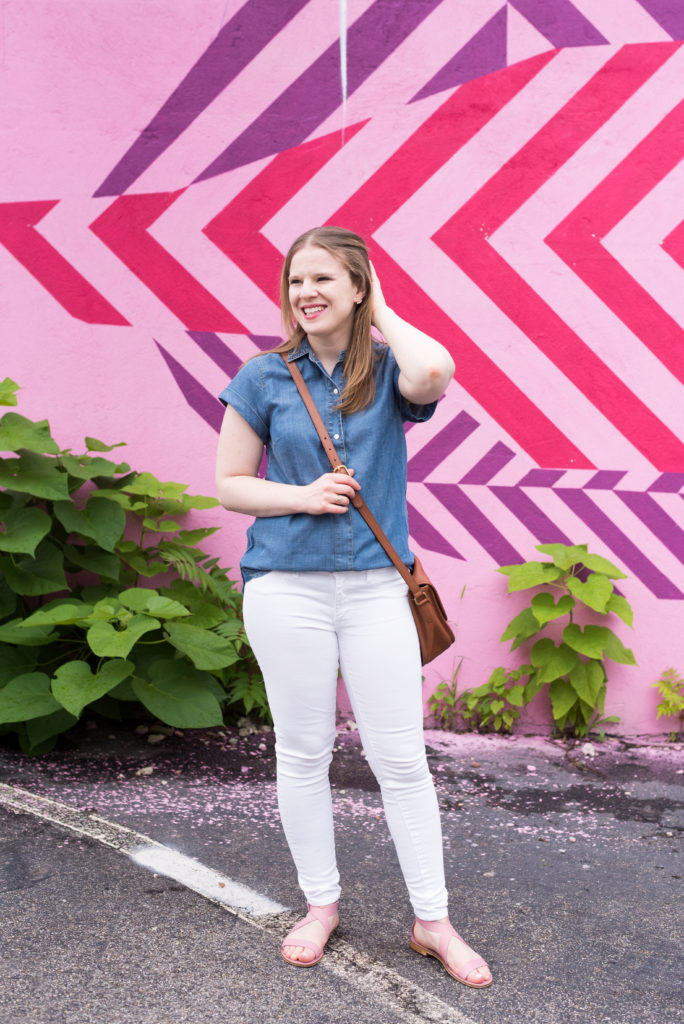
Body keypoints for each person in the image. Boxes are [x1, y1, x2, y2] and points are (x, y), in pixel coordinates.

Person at [215, 226, 492, 988]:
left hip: (377, 590)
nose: (305, 293)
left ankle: (432, 920)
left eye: (325, 281)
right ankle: (320, 905)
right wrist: (301, 497)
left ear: (359, 289)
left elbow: (436, 369)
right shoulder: (264, 377)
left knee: (400, 759)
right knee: (302, 754)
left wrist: (381, 312)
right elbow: (231, 483)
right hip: (285, 588)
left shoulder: (391, 372)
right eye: (296, 281)